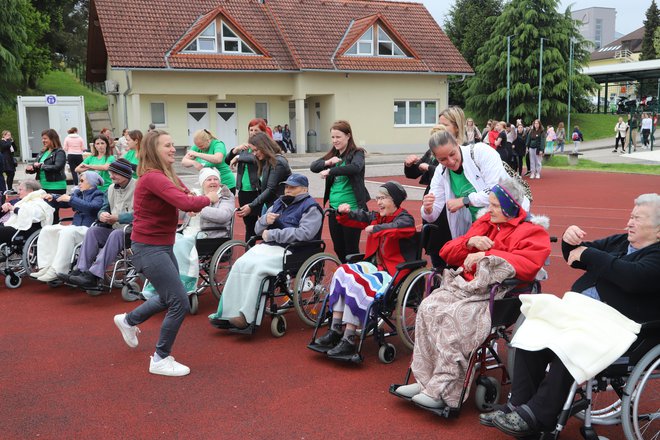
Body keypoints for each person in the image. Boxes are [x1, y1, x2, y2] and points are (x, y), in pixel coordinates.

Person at [486, 193, 660, 438]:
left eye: (638, 219)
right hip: (581, 312)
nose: (629, 223)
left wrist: (589, 255)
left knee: (567, 346)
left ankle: (539, 415)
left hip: (618, 326)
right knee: (535, 328)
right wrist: (569, 242)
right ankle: (519, 404)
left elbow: (631, 277)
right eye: (631, 216)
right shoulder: (621, 242)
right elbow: (575, 256)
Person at [393, 178, 551, 409]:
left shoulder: (531, 232)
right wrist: (469, 243)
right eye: (490, 204)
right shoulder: (485, 222)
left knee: (453, 317)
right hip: (466, 287)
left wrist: (487, 255)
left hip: (497, 295)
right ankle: (425, 380)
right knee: (428, 308)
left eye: (495, 205)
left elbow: (529, 265)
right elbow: (447, 252)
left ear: (510, 206)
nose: (490, 209)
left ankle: (442, 391)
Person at [113, 129, 218, 377]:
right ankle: (160, 358)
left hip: (160, 245)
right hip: (149, 249)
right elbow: (187, 203)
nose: (173, 149)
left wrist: (193, 198)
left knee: (168, 296)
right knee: (179, 302)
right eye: (167, 146)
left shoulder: (166, 174)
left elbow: (184, 196)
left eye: (173, 144)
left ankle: (128, 321)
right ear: (153, 150)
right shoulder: (153, 177)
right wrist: (208, 198)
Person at [311, 181, 417, 358]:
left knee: (358, 283)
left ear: (395, 200)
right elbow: (357, 217)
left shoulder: (405, 218)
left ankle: (349, 338)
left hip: (393, 272)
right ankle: (336, 328)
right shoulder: (376, 216)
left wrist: (376, 228)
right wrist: (343, 213)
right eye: (377, 198)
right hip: (374, 266)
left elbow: (401, 228)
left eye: (383, 198)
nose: (379, 202)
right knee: (342, 271)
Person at [208, 173, 323, 330]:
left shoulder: (311, 207)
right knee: (241, 263)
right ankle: (227, 312)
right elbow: (257, 229)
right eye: (287, 186)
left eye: (293, 187)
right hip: (269, 246)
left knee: (257, 268)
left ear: (304, 189)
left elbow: (305, 234)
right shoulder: (278, 203)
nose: (288, 190)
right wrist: (264, 221)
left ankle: (247, 316)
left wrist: (273, 234)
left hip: (295, 250)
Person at [421, 127, 519, 267]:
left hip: (504, 220)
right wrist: (428, 209)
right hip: (477, 227)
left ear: (456, 143)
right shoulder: (440, 171)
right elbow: (432, 214)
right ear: (435, 158)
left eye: (452, 154)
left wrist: (465, 200)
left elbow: (498, 191)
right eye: (442, 159)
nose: (450, 161)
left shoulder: (481, 152)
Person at [141, 167, 234, 297]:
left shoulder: (226, 197)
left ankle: (183, 285)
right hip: (189, 233)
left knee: (179, 243)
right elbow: (183, 213)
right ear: (202, 183)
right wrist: (184, 206)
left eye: (215, 179)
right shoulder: (196, 195)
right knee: (165, 244)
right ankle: (158, 286)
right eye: (209, 179)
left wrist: (199, 208)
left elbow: (223, 215)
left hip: (211, 236)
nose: (213, 182)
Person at [59, 159, 137, 289]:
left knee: (117, 234)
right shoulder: (111, 189)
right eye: (111, 172)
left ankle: (94, 275)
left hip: (134, 231)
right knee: (93, 231)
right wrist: (101, 215)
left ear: (125, 174)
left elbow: (141, 214)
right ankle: (81, 270)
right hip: (116, 229)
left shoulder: (139, 187)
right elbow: (104, 207)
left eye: (114, 173)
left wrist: (118, 217)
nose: (110, 176)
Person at [29, 171, 105, 282]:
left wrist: (70, 199)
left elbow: (92, 208)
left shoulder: (98, 195)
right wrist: (53, 198)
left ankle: (58, 270)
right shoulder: (78, 194)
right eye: (79, 181)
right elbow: (64, 201)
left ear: (92, 182)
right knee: (47, 229)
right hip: (76, 228)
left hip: (89, 230)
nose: (79, 183)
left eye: (82, 181)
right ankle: (46, 266)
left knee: (67, 231)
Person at [310, 120, 369, 263]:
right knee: (338, 247)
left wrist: (331, 170)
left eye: (338, 137)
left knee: (351, 249)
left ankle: (356, 277)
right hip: (334, 209)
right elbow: (313, 166)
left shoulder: (357, 153)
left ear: (348, 136)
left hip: (351, 209)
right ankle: (346, 273)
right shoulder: (333, 155)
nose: (335, 141)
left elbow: (354, 168)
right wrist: (328, 162)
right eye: (333, 137)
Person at [403, 129, 445, 268]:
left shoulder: (452, 151)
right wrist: (409, 165)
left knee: (442, 241)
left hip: (445, 200)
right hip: (431, 197)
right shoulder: (430, 152)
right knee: (432, 238)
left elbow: (448, 173)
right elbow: (414, 172)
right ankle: (436, 271)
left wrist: (429, 167)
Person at [226, 118, 268, 240]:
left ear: (263, 132)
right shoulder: (245, 147)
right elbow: (227, 160)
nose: (253, 132)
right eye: (251, 130)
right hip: (244, 191)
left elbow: (256, 159)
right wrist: (235, 150)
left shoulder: (264, 147)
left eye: (256, 130)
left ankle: (265, 249)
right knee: (249, 226)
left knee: (264, 225)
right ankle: (248, 251)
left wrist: (239, 157)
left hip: (258, 191)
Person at [235, 132, 291, 223]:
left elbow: (270, 189)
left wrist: (252, 205)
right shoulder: (267, 161)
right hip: (270, 205)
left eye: (256, 150)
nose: (254, 154)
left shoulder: (277, 162)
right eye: (253, 151)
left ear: (264, 147)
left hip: (278, 207)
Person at [25, 129, 67, 223]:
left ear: (52, 139)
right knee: (44, 211)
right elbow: (37, 166)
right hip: (43, 186)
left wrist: (42, 166)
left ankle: (55, 231)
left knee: (53, 212)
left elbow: (58, 167)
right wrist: (31, 168)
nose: (43, 141)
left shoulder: (59, 152)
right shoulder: (43, 152)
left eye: (45, 138)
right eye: (42, 139)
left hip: (56, 186)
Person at [0, 180, 54, 246]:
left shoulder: (39, 202)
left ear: (30, 191)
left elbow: (33, 216)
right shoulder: (21, 201)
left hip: (22, 230)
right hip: (13, 226)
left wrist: (14, 209)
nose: (18, 192)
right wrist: (4, 208)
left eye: (20, 189)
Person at [182, 129, 236, 193]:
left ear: (208, 141)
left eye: (201, 146)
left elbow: (218, 159)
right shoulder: (198, 146)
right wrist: (194, 162)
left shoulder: (218, 144)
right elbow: (184, 162)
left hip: (225, 184)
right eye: (197, 146)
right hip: (209, 186)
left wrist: (197, 154)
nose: (199, 148)